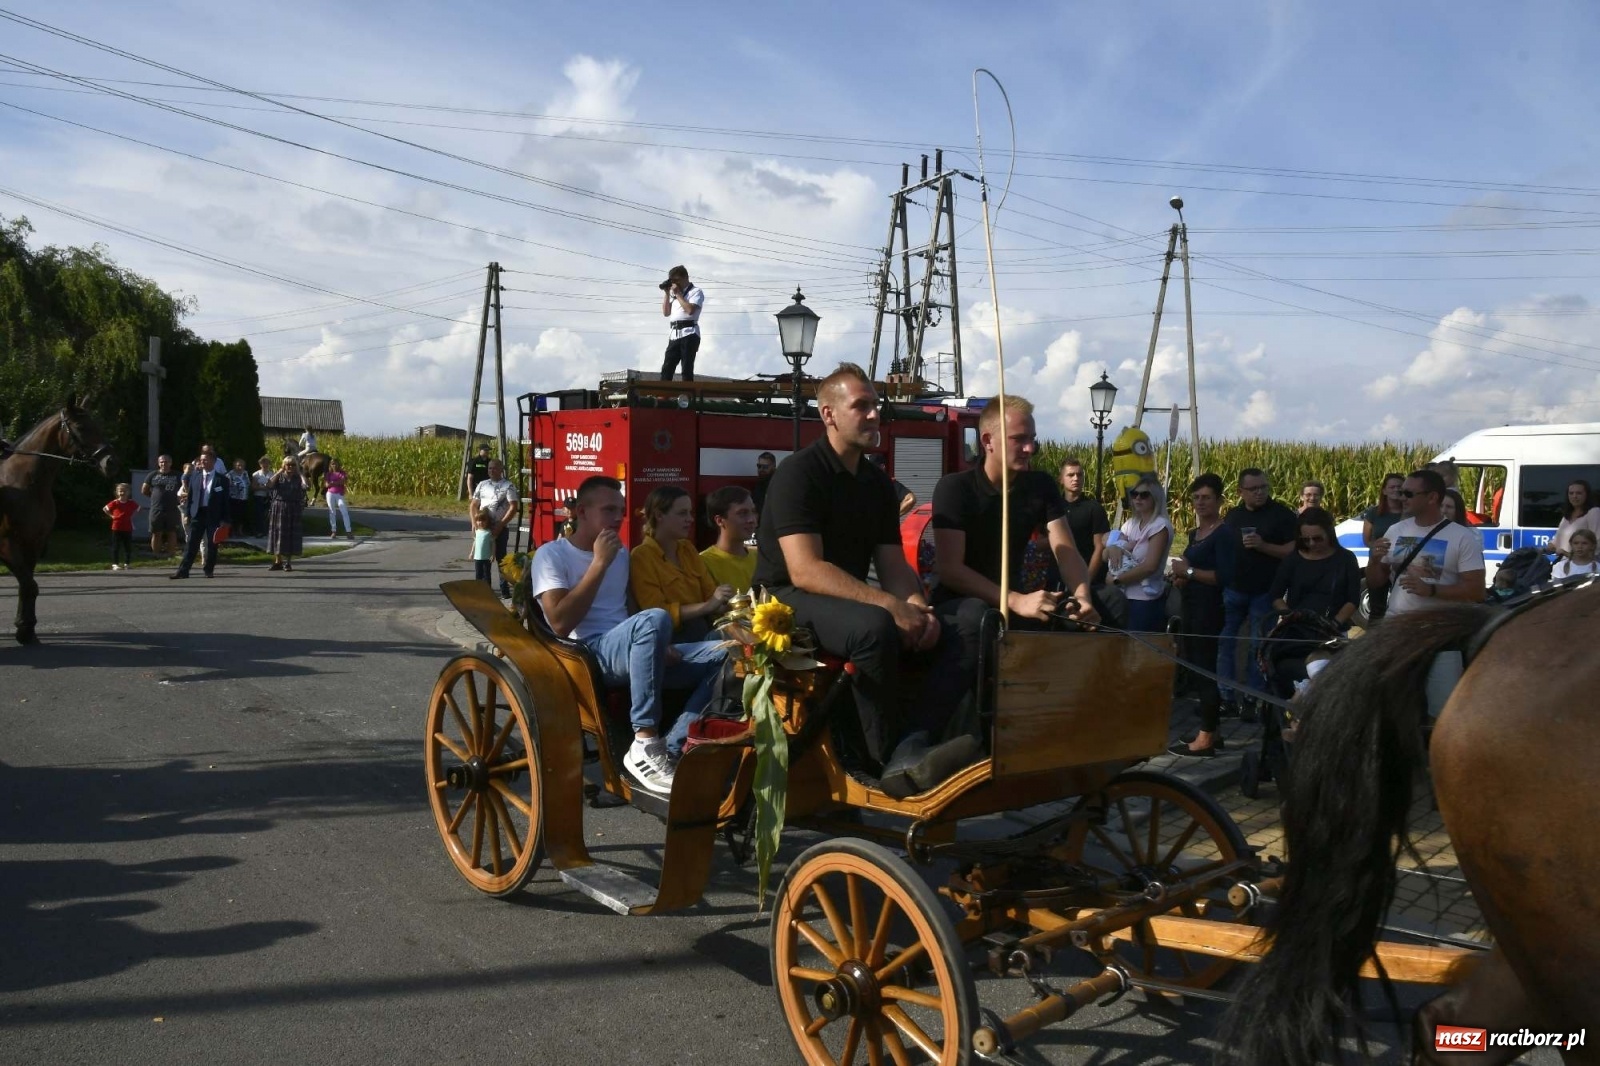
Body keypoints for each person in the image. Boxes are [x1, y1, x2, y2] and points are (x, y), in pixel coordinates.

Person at [753, 363, 965, 790]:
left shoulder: (875, 484)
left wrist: (919, 608)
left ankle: (925, 740)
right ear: (828, 415)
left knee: (965, 621)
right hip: (783, 597)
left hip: (838, 597)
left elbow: (891, 566)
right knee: (873, 628)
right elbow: (805, 569)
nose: (874, 415)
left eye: (875, 406)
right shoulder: (799, 474)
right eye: (861, 406)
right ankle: (880, 762)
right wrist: (891, 607)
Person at [531, 475, 727, 795]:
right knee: (656, 618)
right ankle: (645, 741)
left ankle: (674, 748)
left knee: (730, 651)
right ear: (581, 512)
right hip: (587, 653)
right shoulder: (552, 555)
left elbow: (633, 613)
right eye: (609, 510)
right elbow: (560, 623)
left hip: (628, 646)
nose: (618, 518)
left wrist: (655, 643)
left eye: (621, 510)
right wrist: (598, 564)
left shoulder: (622, 554)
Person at [930, 395, 1096, 737]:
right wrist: (1015, 600)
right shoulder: (955, 488)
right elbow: (950, 569)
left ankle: (1093, 716)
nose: (1030, 448)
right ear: (988, 441)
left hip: (1015, 597)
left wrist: (1083, 596)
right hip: (961, 600)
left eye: (1032, 439)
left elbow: (1065, 548)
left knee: (1110, 604)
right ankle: (962, 733)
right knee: (981, 615)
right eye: (1019, 439)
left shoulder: (1040, 486)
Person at [1217, 468, 1298, 717]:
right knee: (1224, 643)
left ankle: (1253, 698)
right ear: (1241, 492)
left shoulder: (1282, 515)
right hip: (1233, 590)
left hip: (1265, 592)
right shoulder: (1233, 516)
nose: (1260, 492)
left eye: (1263, 487)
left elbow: (1293, 551)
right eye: (1253, 489)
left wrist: (1264, 546)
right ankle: (1225, 696)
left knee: (1258, 646)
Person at [1366, 469, 1486, 617]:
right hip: (1394, 624)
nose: (1402, 498)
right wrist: (1374, 562)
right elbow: (1375, 582)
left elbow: (1477, 591)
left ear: (1432, 498)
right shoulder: (1396, 530)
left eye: (1409, 494)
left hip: (1437, 629)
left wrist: (1432, 590)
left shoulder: (1462, 537)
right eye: (1402, 493)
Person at [1167, 473, 1228, 757]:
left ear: (1219, 500)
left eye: (1206, 497)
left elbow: (1222, 576)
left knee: (1205, 671)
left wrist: (1188, 572)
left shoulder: (1224, 534)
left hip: (1210, 609)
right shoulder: (1194, 534)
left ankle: (1205, 737)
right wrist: (1183, 577)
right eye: (1196, 498)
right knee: (1194, 666)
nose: (1200, 503)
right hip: (1190, 605)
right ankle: (1212, 731)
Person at [630, 486, 735, 642]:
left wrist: (734, 603)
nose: (690, 519)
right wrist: (708, 605)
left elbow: (711, 595)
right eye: (682, 513)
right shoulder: (642, 556)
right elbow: (657, 614)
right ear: (659, 515)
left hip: (702, 630)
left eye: (690, 512)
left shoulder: (687, 549)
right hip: (673, 639)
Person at [1269, 508, 1362, 626]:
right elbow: (1275, 595)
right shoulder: (1293, 559)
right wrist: (1289, 616)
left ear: (1329, 533)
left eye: (1317, 538)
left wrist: (1334, 623)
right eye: (1306, 540)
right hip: (1298, 628)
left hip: (1333, 628)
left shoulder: (1346, 558)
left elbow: (1353, 599)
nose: (1312, 544)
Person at [1107, 472, 1172, 633]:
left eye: (1144, 495)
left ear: (1155, 498)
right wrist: (1111, 547)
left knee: (1140, 649)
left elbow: (1149, 567)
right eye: (1134, 494)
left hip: (1145, 601)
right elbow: (1105, 550)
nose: (1138, 498)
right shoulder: (1130, 524)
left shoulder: (1159, 526)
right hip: (1123, 598)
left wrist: (1116, 580)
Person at [171, 444, 228, 580]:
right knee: (191, 543)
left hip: (213, 514)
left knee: (212, 544)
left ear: (213, 461)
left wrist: (225, 520)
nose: (202, 462)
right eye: (201, 460)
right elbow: (191, 497)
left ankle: (209, 569)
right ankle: (183, 571)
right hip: (197, 513)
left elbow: (225, 501)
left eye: (206, 460)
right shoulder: (195, 477)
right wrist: (187, 514)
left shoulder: (222, 480)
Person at [469, 458, 520, 598]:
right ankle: (484, 590)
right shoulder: (482, 484)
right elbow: (473, 505)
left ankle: (505, 591)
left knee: (500, 559)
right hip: (483, 528)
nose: (492, 471)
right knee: (483, 560)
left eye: (495, 468)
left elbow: (513, 507)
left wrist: (501, 525)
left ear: (501, 469)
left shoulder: (508, 486)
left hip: (499, 528)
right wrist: (474, 523)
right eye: (490, 468)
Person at [1361, 473, 1405, 621]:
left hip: (1401, 565)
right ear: (1384, 491)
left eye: (1399, 486)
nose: (1396, 490)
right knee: (1377, 608)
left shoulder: (1410, 513)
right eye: (1392, 487)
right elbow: (1367, 539)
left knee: (1399, 607)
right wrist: (1377, 548)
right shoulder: (1374, 513)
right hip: (1378, 565)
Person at [1059, 457, 1109, 584]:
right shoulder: (1053, 508)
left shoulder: (1094, 508)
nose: (1076, 478)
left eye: (1079, 475)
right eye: (1070, 475)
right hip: (1057, 577)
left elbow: (1100, 547)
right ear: (1061, 479)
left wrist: (1086, 580)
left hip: (1086, 576)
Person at [700, 486, 758, 591]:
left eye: (753, 512)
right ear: (720, 521)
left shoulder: (759, 558)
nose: (752, 519)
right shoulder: (704, 562)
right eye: (742, 513)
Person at [658, 265, 704, 382]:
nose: (675, 283)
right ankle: (663, 397)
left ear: (685, 278)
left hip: (689, 333)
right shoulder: (674, 294)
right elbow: (666, 312)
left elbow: (690, 310)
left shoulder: (696, 292)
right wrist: (667, 293)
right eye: (673, 281)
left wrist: (678, 294)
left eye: (677, 280)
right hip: (674, 334)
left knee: (686, 369)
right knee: (667, 367)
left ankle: (687, 398)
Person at [267, 455, 310, 572]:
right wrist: (279, 471)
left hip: (293, 508)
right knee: (278, 534)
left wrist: (301, 474)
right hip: (279, 507)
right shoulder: (279, 476)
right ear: (284, 465)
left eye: (292, 465)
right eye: (288, 465)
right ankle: (278, 561)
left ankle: (288, 562)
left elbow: (306, 486)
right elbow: (269, 484)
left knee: (290, 535)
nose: (290, 467)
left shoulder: (298, 478)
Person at [141, 454, 182, 557]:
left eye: (166, 461)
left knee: (172, 532)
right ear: (158, 463)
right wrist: (155, 497)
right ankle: (156, 555)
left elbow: (185, 489)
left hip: (173, 508)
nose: (164, 463)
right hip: (156, 508)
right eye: (161, 462)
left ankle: (171, 555)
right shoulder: (152, 475)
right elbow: (144, 490)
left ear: (171, 463)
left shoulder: (178, 475)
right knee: (156, 532)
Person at [1548, 479, 1600, 560]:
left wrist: (1569, 555)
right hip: (1563, 564)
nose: (1574, 496)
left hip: (1583, 566)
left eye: (1579, 493)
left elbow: (1597, 541)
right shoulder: (1567, 516)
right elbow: (1557, 539)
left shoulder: (1593, 512)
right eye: (1571, 493)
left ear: (1587, 495)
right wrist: (1551, 545)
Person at [103, 482, 139, 570]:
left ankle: (127, 563)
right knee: (116, 546)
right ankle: (115, 564)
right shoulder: (115, 502)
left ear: (128, 492)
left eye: (124, 491)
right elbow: (105, 509)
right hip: (116, 527)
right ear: (117, 492)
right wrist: (112, 516)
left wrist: (132, 516)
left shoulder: (131, 502)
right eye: (120, 491)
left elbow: (138, 509)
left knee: (128, 546)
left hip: (127, 527)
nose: (122, 493)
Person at [325, 457, 353, 539]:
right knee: (332, 512)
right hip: (330, 494)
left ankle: (348, 531)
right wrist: (336, 483)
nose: (334, 465)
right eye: (332, 463)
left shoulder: (342, 473)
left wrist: (333, 483)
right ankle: (333, 531)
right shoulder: (329, 474)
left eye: (336, 463)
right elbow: (327, 485)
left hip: (339, 494)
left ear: (338, 464)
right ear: (331, 465)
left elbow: (343, 481)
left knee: (344, 510)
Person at [251, 455, 274, 537]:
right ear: (260, 464)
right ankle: (259, 531)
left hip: (268, 497)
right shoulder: (256, 474)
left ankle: (266, 531)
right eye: (263, 464)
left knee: (268, 515)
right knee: (259, 514)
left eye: (267, 463)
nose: (265, 465)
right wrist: (263, 487)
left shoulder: (272, 474)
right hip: (259, 496)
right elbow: (253, 487)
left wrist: (264, 486)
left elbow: (272, 486)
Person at [471, 511, 495, 587]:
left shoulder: (488, 532)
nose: (480, 522)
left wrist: (493, 554)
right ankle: (478, 589)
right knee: (478, 574)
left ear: (487, 521)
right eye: (478, 520)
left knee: (487, 574)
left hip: (487, 557)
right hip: (477, 557)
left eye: (483, 520)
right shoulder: (477, 531)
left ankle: (488, 589)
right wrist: (472, 552)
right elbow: (475, 542)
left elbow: (493, 544)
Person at [226, 459, 251, 533]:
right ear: (234, 466)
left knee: (242, 515)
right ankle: (232, 531)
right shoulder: (230, 474)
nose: (240, 467)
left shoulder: (245, 473)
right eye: (238, 465)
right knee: (233, 515)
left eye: (242, 465)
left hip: (244, 498)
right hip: (233, 498)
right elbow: (227, 486)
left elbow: (248, 483)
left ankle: (240, 531)